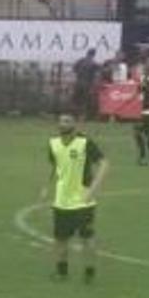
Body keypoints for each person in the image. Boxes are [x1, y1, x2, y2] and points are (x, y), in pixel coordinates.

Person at [44, 113, 108, 283]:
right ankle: (62, 272)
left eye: (67, 121)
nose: (63, 124)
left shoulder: (85, 143)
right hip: (61, 201)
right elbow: (55, 166)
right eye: (60, 120)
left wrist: (92, 190)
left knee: (87, 238)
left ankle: (89, 273)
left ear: (75, 124)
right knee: (60, 239)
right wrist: (46, 186)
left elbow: (104, 163)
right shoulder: (53, 143)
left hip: (83, 202)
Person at [72, 48, 101, 120]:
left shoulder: (81, 61)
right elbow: (100, 70)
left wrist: (79, 73)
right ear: (93, 55)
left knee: (76, 99)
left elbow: (74, 69)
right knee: (85, 100)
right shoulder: (93, 63)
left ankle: (75, 114)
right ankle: (82, 116)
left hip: (78, 82)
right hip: (87, 84)